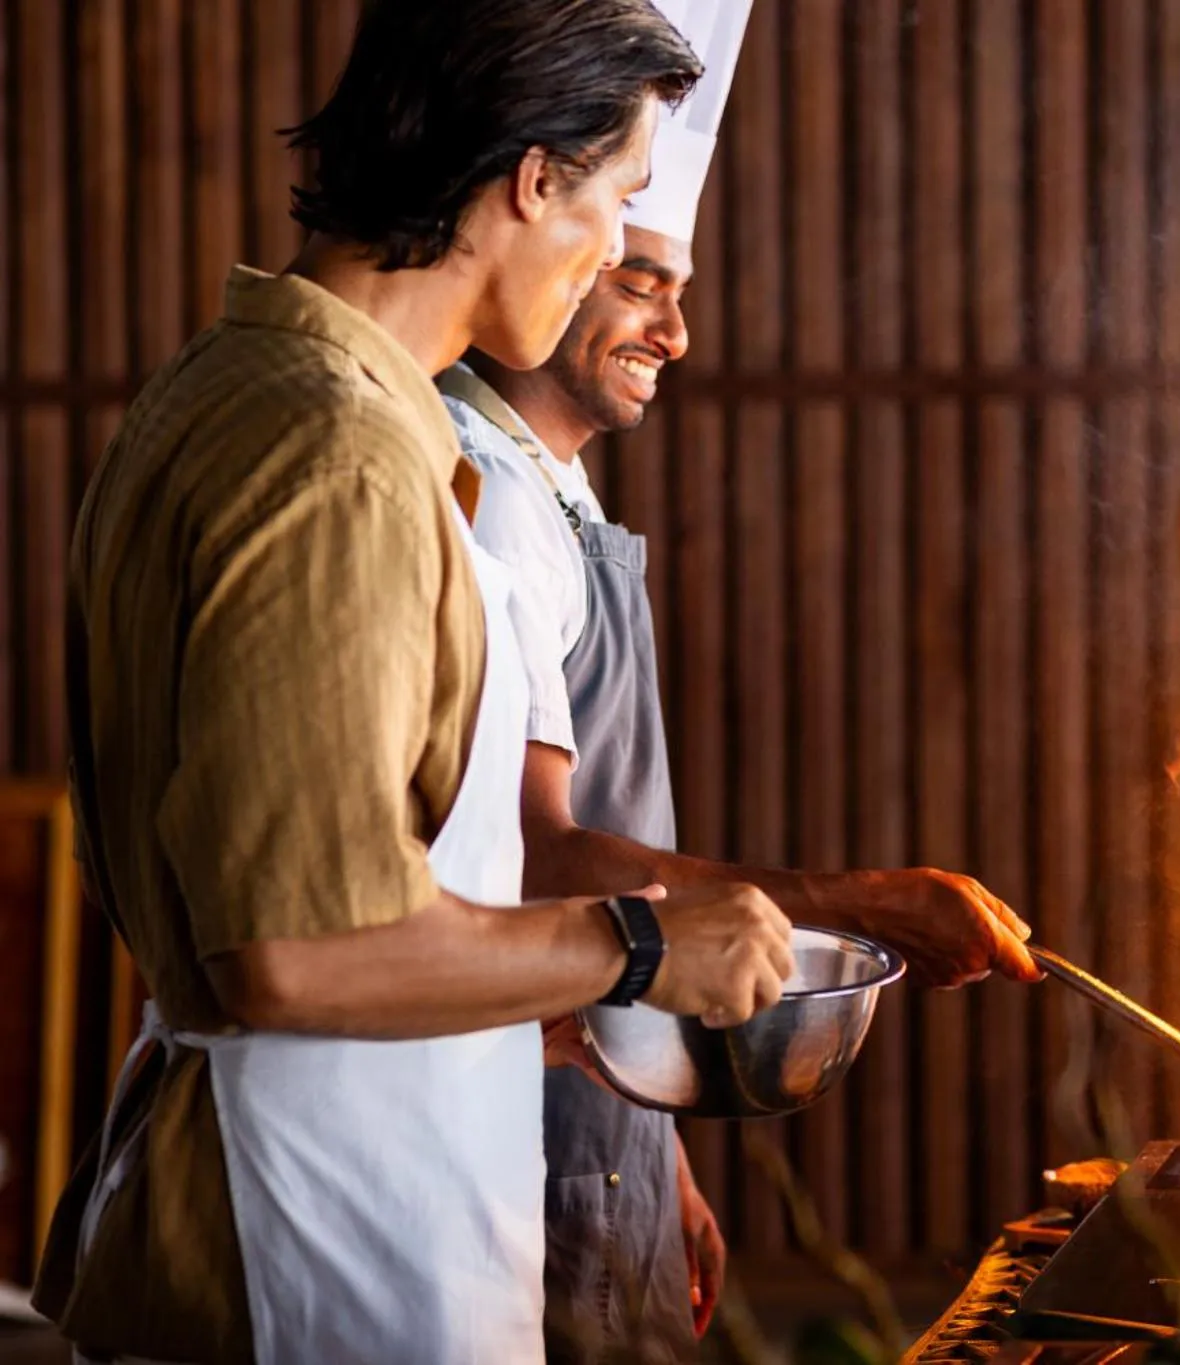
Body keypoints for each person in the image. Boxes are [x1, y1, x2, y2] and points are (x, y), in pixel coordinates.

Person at [36, 4, 794, 1362]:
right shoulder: (334, 453)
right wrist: (639, 944)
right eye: (617, 201)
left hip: (361, 1177)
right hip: (316, 1242)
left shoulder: (249, 381)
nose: (618, 254)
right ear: (530, 180)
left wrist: (530, 1018)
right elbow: (294, 949)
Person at [440, 6, 1037, 1356]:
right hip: (516, 1136)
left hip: (608, 1123)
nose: (677, 334)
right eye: (641, 282)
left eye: (674, 291)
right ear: (548, 228)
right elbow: (536, 856)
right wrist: (855, 906)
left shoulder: (560, 489)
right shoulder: (486, 504)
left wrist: (666, 1158)